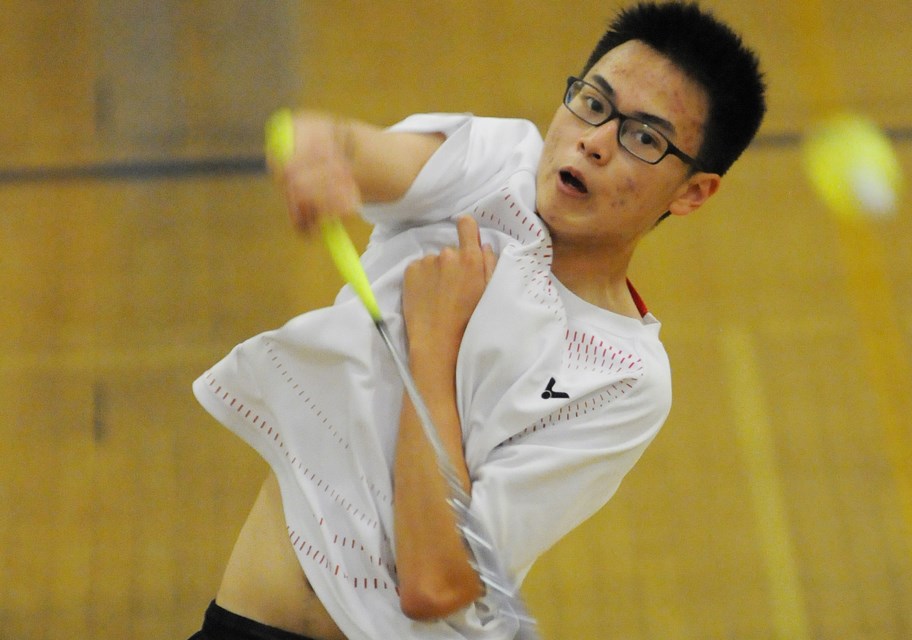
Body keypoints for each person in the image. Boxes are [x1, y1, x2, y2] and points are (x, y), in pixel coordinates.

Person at [188, 2, 766, 639]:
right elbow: (358, 149)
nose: (595, 142)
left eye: (645, 139)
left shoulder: (625, 379)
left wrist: (432, 345)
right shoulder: (498, 171)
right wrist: (320, 143)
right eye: (594, 104)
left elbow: (437, 583)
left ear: (692, 192)